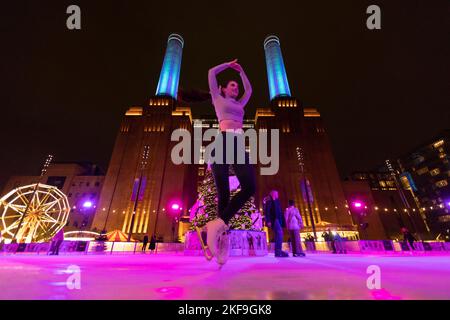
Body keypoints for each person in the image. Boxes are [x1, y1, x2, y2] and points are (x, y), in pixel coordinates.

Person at [202, 59, 256, 266]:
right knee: (223, 195)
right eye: (232, 85)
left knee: (249, 187)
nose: (236, 88)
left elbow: (249, 90)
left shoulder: (239, 104)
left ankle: (217, 225)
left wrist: (242, 71)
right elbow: (211, 72)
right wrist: (227, 64)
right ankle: (218, 244)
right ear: (223, 90)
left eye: (237, 86)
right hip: (222, 142)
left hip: (239, 143)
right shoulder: (217, 97)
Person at [264, 190, 289, 257]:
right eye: (276, 194)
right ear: (273, 194)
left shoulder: (277, 201)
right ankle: (278, 251)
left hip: (279, 220)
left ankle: (278, 251)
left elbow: (280, 211)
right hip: (274, 220)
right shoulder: (269, 201)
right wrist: (268, 220)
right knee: (279, 233)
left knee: (279, 234)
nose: (278, 195)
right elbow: (267, 212)